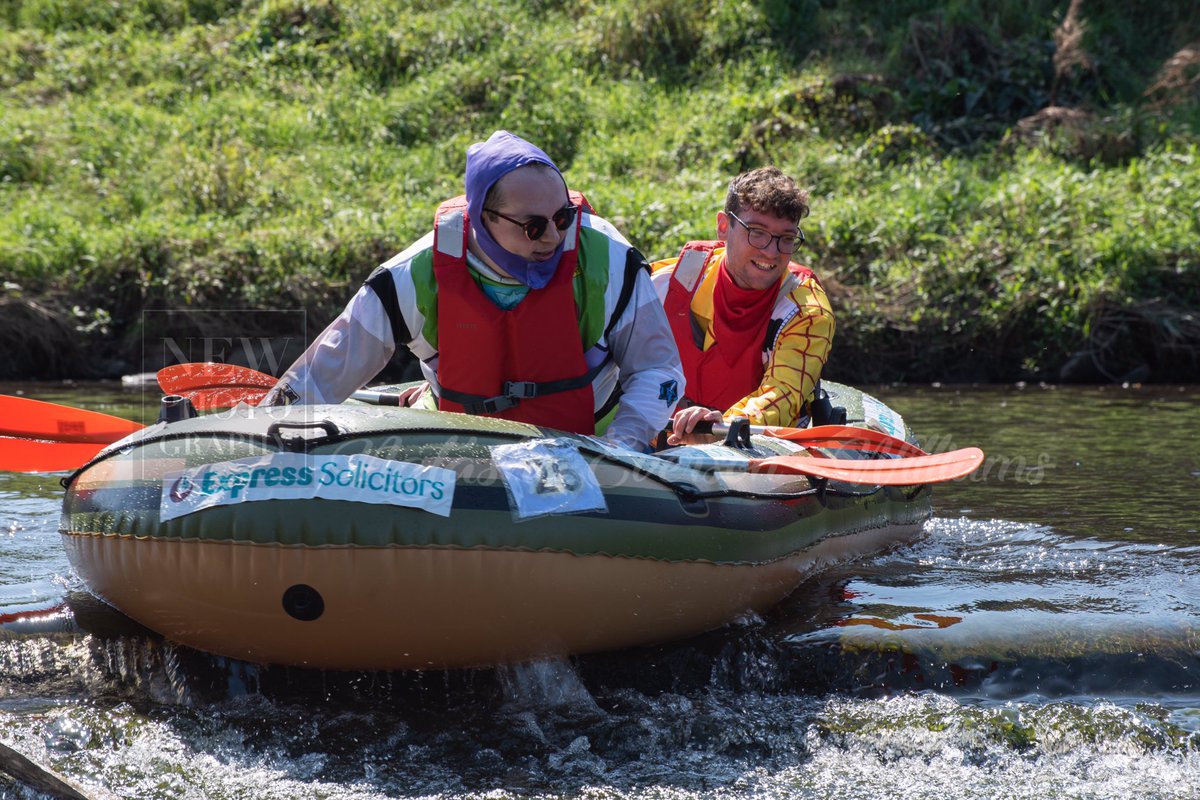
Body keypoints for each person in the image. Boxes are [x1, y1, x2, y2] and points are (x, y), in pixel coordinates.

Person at [262, 130, 683, 451]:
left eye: (563, 217)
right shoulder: (414, 275)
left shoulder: (608, 261)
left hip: (591, 442)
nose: (553, 238)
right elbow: (322, 374)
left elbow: (658, 369)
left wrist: (621, 450)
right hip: (460, 442)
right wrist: (258, 437)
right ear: (482, 217)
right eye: (534, 226)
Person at [650, 167, 835, 445]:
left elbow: (781, 394)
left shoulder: (807, 309)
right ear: (724, 226)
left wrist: (721, 426)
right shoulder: (665, 281)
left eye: (786, 238)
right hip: (661, 439)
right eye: (757, 233)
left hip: (753, 447)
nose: (771, 253)